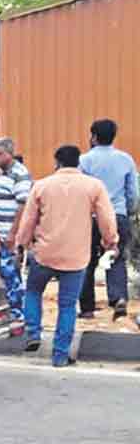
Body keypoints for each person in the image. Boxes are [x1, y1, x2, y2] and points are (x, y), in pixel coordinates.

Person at [15, 145, 119, 367]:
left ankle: (33, 332)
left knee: (33, 291)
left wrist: (21, 244)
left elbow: (28, 220)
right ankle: (60, 355)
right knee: (68, 305)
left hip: (44, 254)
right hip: (76, 256)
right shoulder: (94, 186)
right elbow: (107, 219)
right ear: (78, 162)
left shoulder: (41, 186)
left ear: (57, 162)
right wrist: (111, 242)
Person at [78, 119, 138, 320]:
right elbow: (132, 193)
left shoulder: (84, 160)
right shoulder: (126, 159)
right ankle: (118, 298)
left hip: (91, 217)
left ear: (94, 136)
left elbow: (80, 191)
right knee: (116, 257)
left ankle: (87, 308)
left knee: (87, 260)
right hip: (117, 215)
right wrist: (128, 212)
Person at [0, 137, 33, 316]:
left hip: (9, 236)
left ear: (10, 154)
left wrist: (13, 235)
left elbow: (23, 206)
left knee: (12, 275)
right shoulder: (0, 172)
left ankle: (18, 313)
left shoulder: (19, 174)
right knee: (1, 275)